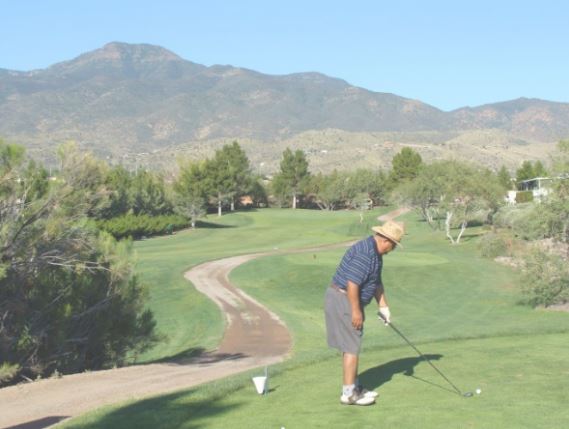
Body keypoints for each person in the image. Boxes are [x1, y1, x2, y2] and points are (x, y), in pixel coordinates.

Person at [324, 220, 404, 406]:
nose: (392, 249)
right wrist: (356, 311)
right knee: (352, 345)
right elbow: (352, 284)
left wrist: (383, 306)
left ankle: (353, 386)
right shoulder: (366, 254)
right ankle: (349, 393)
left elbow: (376, 281)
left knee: (352, 342)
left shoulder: (376, 253)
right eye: (393, 245)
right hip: (343, 298)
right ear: (386, 240)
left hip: (347, 299)